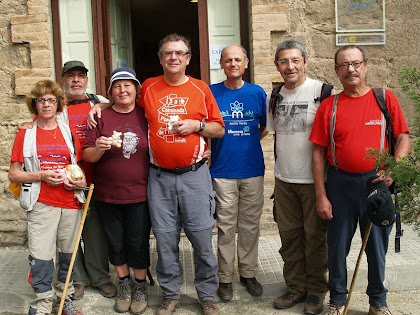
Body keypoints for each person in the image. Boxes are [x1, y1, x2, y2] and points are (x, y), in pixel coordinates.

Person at [309, 45, 410, 315]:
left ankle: (378, 301)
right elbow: (318, 153)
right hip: (339, 184)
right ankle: (337, 301)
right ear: (336, 71)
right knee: (337, 247)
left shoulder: (384, 99)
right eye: (344, 65)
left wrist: (394, 169)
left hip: (376, 184)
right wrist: (321, 194)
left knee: (377, 246)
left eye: (356, 63)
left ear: (365, 66)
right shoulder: (329, 106)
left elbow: (403, 138)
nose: (350, 69)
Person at [141, 33, 225, 315]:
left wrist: (195, 125)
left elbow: (219, 129)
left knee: (202, 239)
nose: (173, 58)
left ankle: (207, 294)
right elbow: (125, 107)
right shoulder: (148, 88)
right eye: (167, 53)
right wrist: (101, 106)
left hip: (195, 175)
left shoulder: (200, 88)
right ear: (161, 58)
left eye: (179, 53)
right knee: (165, 239)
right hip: (159, 178)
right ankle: (170, 293)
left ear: (188, 58)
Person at [8, 80, 86, 315]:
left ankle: (64, 301)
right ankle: (41, 303)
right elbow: (14, 173)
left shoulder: (68, 132)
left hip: (70, 202)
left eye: (51, 99)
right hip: (42, 202)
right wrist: (41, 175)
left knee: (68, 254)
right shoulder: (26, 134)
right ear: (35, 104)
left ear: (58, 103)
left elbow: (78, 168)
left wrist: (80, 182)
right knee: (41, 256)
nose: (46, 104)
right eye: (41, 100)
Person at [266, 40, 333, 315]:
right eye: (284, 61)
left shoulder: (322, 92)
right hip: (284, 180)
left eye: (295, 60)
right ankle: (295, 287)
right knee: (289, 237)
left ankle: (316, 291)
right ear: (277, 65)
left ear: (305, 60)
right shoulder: (276, 94)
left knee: (315, 238)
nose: (290, 66)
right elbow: (274, 135)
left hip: (316, 182)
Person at [83, 67, 151, 314]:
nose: (123, 90)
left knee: (138, 241)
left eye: (128, 85)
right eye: (117, 86)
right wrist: (100, 147)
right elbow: (88, 155)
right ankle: (124, 283)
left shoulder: (146, 115)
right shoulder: (100, 117)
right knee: (116, 242)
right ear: (110, 91)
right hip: (108, 194)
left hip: (140, 193)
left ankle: (140, 285)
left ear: (136, 90)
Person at [209, 44, 267, 302]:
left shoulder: (257, 93)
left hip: (252, 170)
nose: (233, 64)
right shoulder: (211, 92)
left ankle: (248, 273)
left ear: (246, 64)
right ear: (221, 64)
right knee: (225, 227)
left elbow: (263, 127)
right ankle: (225, 278)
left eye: (238, 60)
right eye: (228, 60)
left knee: (249, 226)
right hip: (222, 171)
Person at [61, 60, 117, 300]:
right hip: (67, 180)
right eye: (71, 76)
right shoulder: (56, 105)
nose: (76, 80)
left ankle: (100, 277)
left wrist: (103, 105)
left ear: (86, 79)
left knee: (94, 231)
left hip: (95, 178)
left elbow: (123, 103)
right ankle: (78, 279)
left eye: (80, 76)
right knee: (70, 233)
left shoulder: (98, 101)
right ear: (63, 80)